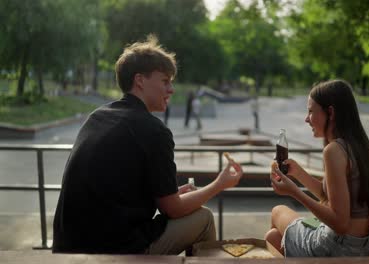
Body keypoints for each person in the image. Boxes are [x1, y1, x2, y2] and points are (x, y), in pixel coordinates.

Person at [52, 35, 243, 255]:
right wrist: (219, 184)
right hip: (113, 250)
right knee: (204, 218)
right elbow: (173, 209)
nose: (171, 89)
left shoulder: (98, 116)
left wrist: (170, 192)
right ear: (140, 80)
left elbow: (116, 190)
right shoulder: (154, 130)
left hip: (68, 245)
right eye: (165, 81)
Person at [265, 80, 369, 257]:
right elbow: (329, 197)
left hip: (336, 247)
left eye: (311, 111)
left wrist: (294, 192)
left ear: (330, 113)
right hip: (363, 246)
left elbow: (340, 223)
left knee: (277, 211)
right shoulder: (361, 147)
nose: (306, 119)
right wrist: (298, 173)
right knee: (273, 237)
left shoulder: (334, 150)